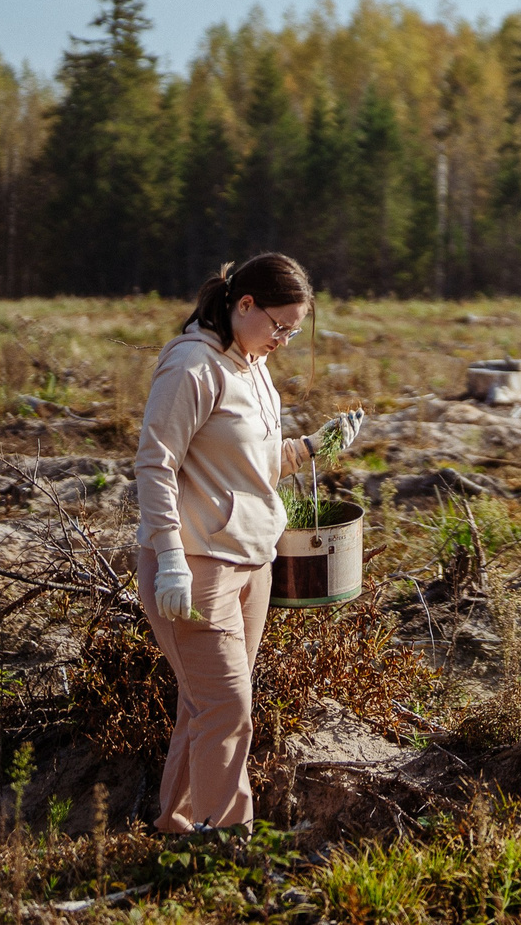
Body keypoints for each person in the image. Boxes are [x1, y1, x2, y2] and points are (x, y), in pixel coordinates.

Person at [134, 253, 364, 834]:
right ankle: (228, 838)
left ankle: (177, 823)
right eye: (279, 324)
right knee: (228, 709)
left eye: (293, 329)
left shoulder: (254, 365)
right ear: (244, 305)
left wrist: (312, 447)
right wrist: (169, 561)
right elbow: (155, 465)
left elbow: (252, 465)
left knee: (203, 705)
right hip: (195, 567)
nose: (284, 339)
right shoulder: (192, 366)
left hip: (252, 563)